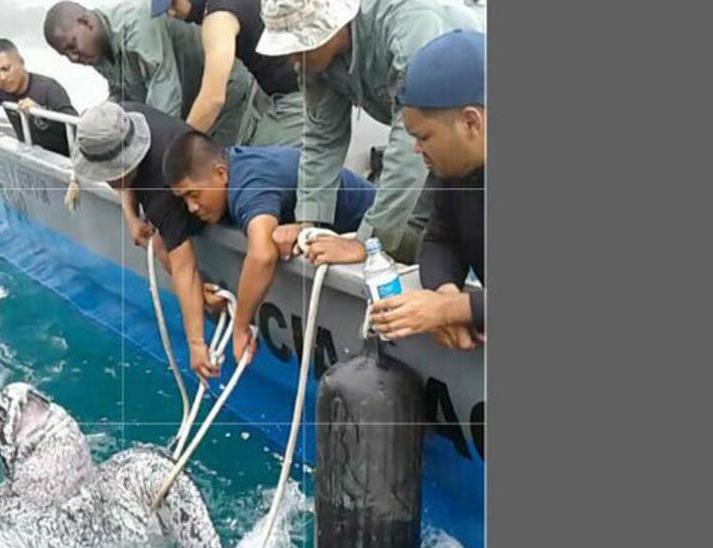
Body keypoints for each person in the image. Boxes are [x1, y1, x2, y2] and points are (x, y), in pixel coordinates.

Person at [256, 0, 481, 266]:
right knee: (419, 240)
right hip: (438, 146)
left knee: (458, 233)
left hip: (475, 138)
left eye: (298, 45)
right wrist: (306, 222)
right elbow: (321, 138)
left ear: (335, 24)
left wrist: (366, 242)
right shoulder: (316, 61)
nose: (292, 57)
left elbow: (410, 140)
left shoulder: (411, 24)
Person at [163, 131, 376, 363]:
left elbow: (263, 256)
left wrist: (240, 327)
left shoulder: (250, 187)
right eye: (184, 199)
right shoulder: (231, 166)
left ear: (221, 173)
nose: (191, 207)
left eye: (194, 195)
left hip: (376, 230)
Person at [69, 101, 226, 381]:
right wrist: (131, 215)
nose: (110, 181)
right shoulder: (121, 115)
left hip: (213, 192)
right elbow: (123, 176)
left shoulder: (162, 187)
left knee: (164, 244)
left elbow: (183, 265)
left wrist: (196, 343)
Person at [370, 30, 486, 350]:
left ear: (471, 122)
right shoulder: (457, 170)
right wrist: (445, 293)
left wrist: (448, 309)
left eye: (424, 136)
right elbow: (439, 240)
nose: (417, 149)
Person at [43, 0, 254, 146]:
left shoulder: (135, 25)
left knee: (213, 166)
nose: (74, 58)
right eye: (65, 55)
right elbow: (126, 93)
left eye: (72, 47)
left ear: (86, 23)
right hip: (187, 100)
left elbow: (165, 100)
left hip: (223, 92)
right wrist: (105, 118)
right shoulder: (94, 50)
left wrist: (156, 153)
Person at [153, 0, 304, 146]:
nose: (171, 14)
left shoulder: (218, 19)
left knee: (258, 163)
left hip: (299, 96)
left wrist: (177, 148)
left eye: (173, 4)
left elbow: (212, 99)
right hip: (301, 84)